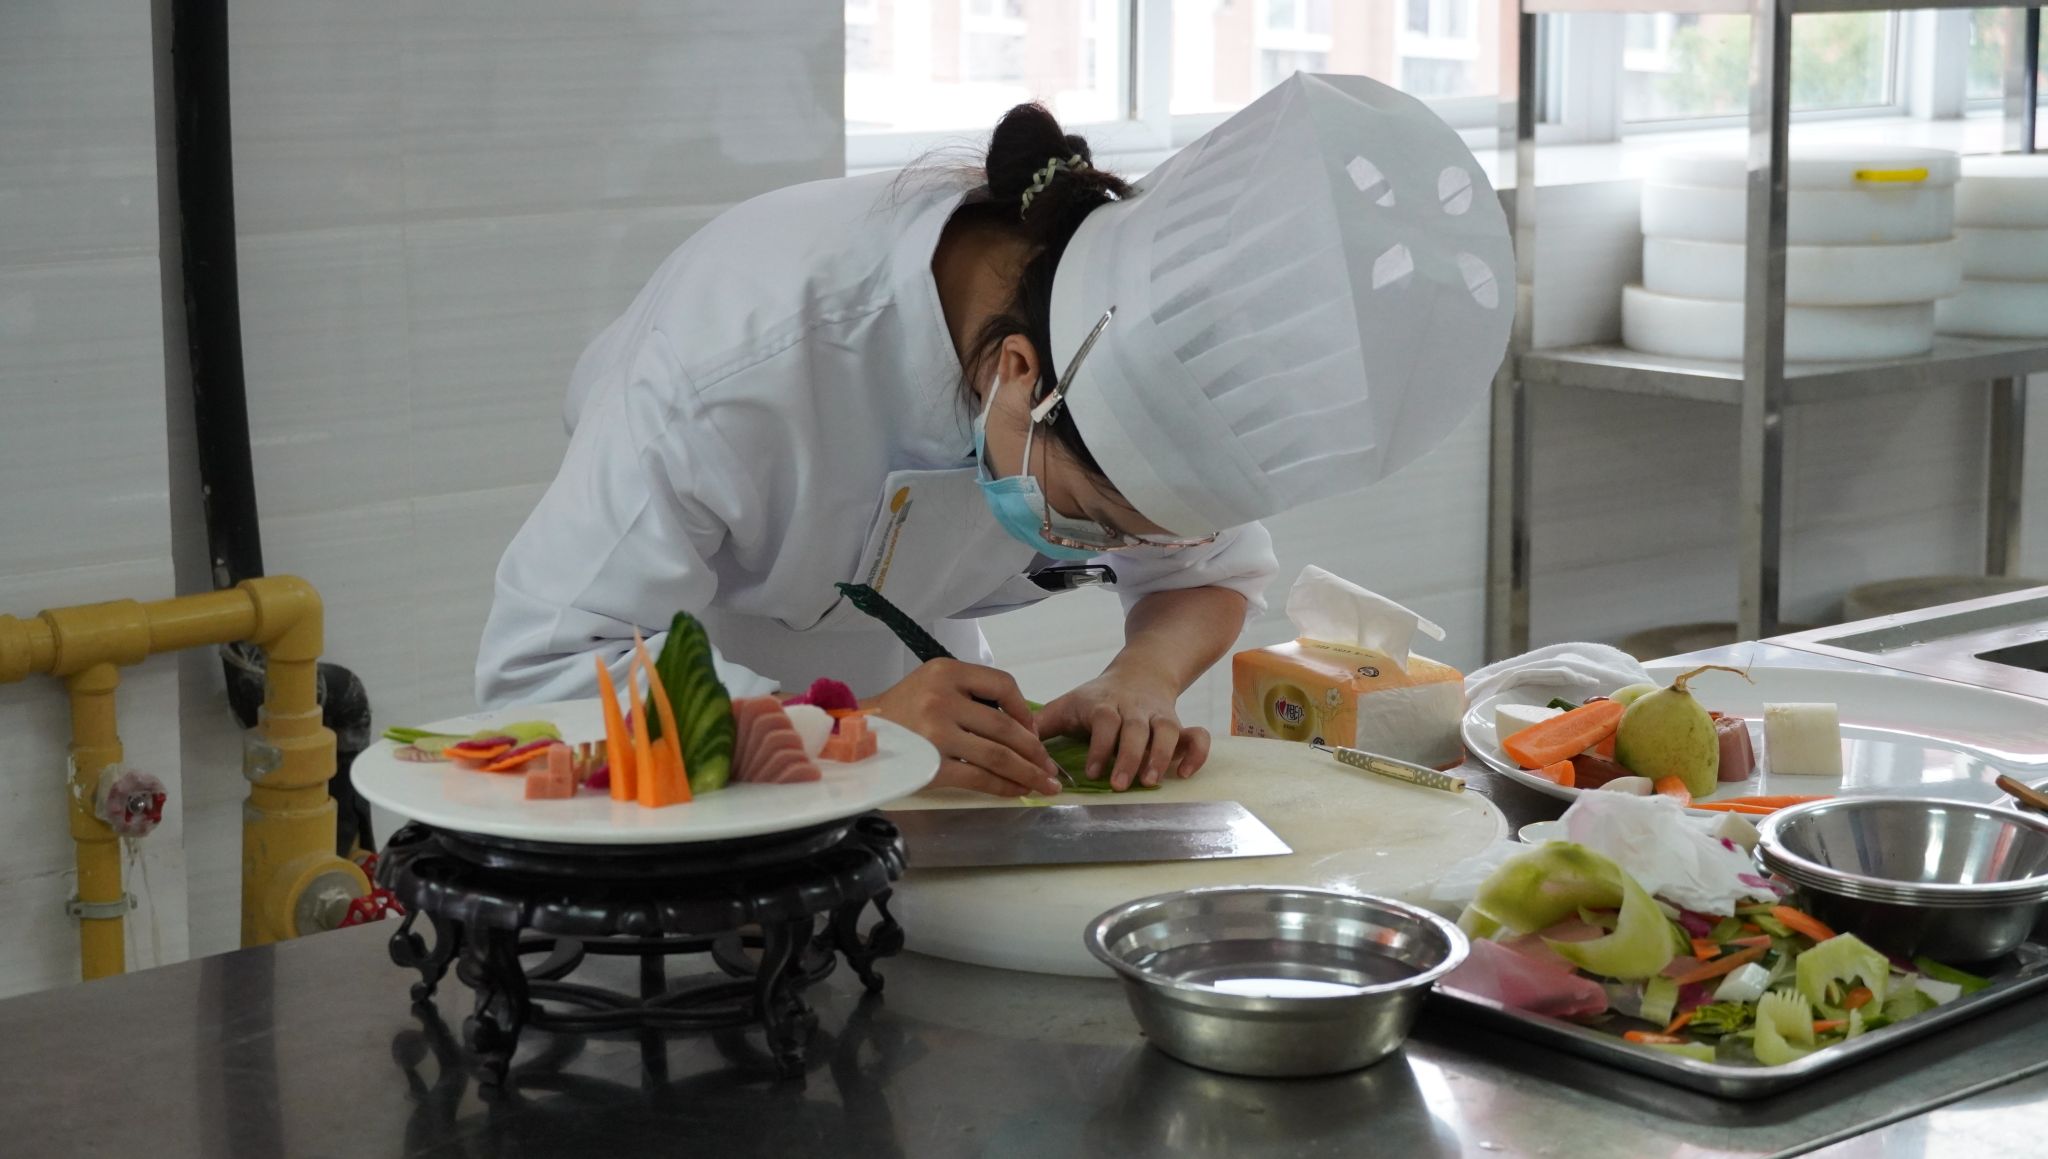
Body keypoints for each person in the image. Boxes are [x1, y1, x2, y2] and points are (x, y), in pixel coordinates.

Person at [477, 73, 1513, 799]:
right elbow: (547, 665)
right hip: (692, 694)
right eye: (1086, 518)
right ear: (1017, 374)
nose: (1092, 547)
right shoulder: (733, 361)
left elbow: (1206, 576)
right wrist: (851, 730)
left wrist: (1142, 676)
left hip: (919, 712)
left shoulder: (1132, 354)